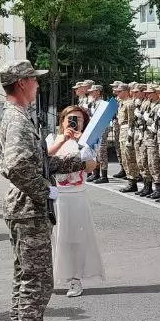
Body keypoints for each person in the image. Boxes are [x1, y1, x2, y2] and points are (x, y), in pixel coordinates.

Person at [0, 60, 97, 321]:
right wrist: (45, 192)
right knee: (36, 279)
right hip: (28, 208)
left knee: (29, 276)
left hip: (26, 208)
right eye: (35, 81)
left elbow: (39, 163)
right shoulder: (17, 121)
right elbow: (16, 166)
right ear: (23, 83)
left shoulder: (19, 117)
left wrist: (78, 164)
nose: (38, 85)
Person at [46, 106, 105, 297]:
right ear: (62, 121)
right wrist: (63, 139)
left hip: (77, 196)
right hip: (56, 196)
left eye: (79, 120)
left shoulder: (87, 143)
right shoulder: (52, 139)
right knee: (55, 238)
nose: (74, 122)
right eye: (71, 118)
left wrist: (81, 143)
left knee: (76, 240)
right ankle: (52, 278)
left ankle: (75, 279)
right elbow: (45, 160)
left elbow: (91, 167)